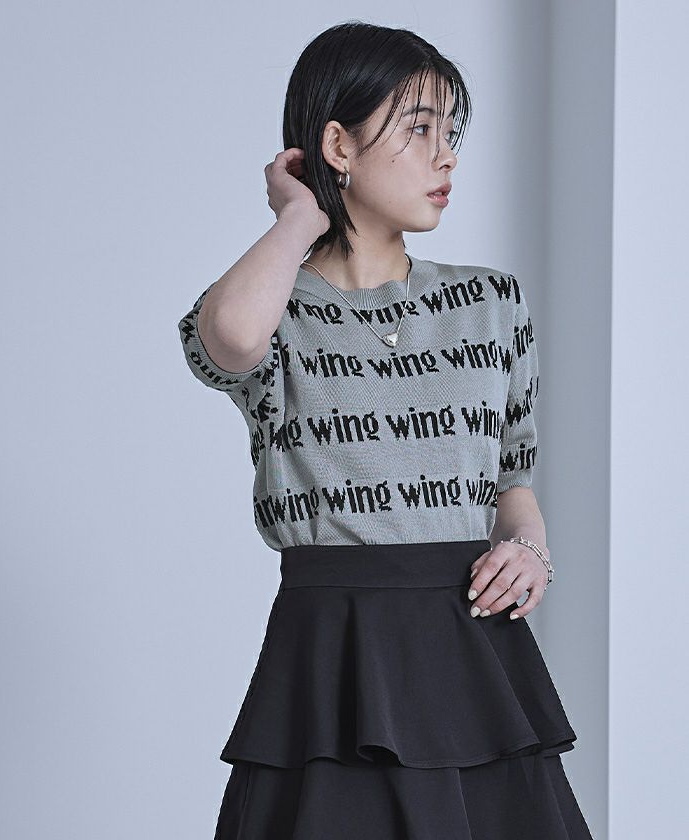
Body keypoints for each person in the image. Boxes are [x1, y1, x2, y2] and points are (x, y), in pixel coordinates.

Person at [178, 20, 594, 840]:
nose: (448, 158)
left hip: (472, 650)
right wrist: (296, 220)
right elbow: (226, 340)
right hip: (329, 662)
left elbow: (511, 483)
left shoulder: (491, 304)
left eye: (451, 133)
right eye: (419, 129)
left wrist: (529, 550)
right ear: (339, 144)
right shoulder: (274, 306)